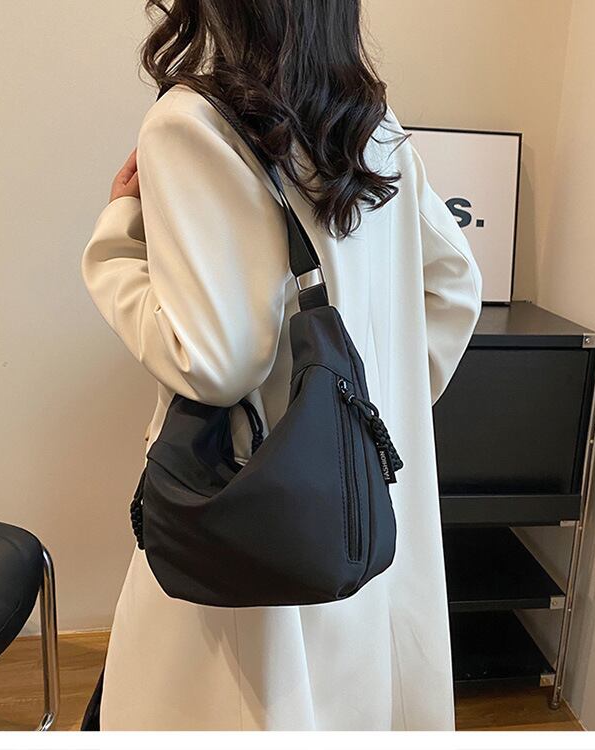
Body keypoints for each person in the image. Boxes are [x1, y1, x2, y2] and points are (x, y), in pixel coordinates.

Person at [81, 0, 483, 731]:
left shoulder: (191, 123)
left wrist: (117, 238)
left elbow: (214, 362)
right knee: (363, 700)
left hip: (254, 508)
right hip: (363, 510)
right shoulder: (370, 125)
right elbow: (455, 285)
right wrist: (365, 418)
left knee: (252, 704)